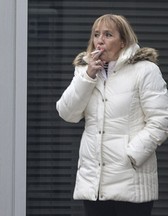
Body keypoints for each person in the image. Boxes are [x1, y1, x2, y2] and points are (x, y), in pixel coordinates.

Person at [56, 14, 168, 216]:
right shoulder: (85, 71)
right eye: (96, 34)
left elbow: (161, 120)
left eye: (108, 35)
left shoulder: (145, 70)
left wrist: (132, 155)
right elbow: (67, 113)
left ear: (123, 41)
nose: (100, 40)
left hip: (131, 180)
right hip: (94, 184)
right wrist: (88, 76)